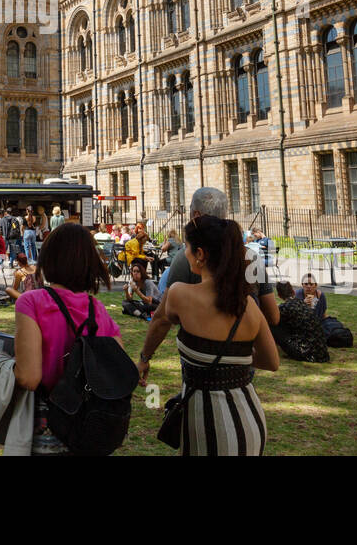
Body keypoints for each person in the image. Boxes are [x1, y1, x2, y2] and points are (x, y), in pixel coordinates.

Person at [136, 215, 279, 455]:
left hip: (208, 425)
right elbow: (271, 362)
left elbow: (160, 320)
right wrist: (234, 358)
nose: (185, 252)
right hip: (249, 420)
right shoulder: (248, 306)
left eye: (188, 247)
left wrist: (144, 357)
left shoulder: (180, 295)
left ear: (200, 254)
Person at [13, 222, 121, 454]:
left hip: (51, 424)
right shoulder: (98, 309)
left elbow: (29, 378)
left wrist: (0, 363)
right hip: (91, 426)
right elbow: (119, 367)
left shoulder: (31, 302)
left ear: (49, 258)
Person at [166, 188, 279, 328]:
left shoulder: (187, 258)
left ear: (195, 215)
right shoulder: (251, 258)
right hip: (244, 343)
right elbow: (273, 317)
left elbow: (164, 318)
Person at [270, 280, 329, 363]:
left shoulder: (284, 308)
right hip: (321, 351)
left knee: (272, 324)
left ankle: (269, 350)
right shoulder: (302, 303)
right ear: (293, 292)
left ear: (279, 296)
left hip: (306, 352)